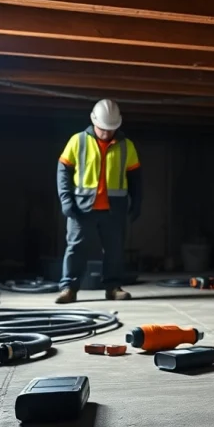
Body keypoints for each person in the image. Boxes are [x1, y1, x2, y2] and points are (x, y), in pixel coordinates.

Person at [55, 99, 142, 303]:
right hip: (81, 208)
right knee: (75, 248)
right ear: (93, 121)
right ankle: (69, 289)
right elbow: (63, 171)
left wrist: (137, 202)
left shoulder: (127, 146)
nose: (106, 133)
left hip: (114, 209)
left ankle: (113, 287)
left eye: (110, 129)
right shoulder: (78, 141)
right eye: (103, 128)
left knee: (114, 250)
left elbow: (135, 178)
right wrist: (66, 200)